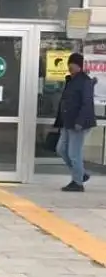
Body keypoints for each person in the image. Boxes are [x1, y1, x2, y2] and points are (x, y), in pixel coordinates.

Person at [55, 52, 96, 192]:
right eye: (69, 64)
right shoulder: (70, 80)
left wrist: (80, 122)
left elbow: (87, 103)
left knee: (74, 153)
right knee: (61, 149)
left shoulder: (85, 81)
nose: (70, 66)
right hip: (67, 122)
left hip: (78, 123)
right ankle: (81, 173)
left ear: (79, 66)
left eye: (73, 64)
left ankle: (77, 183)